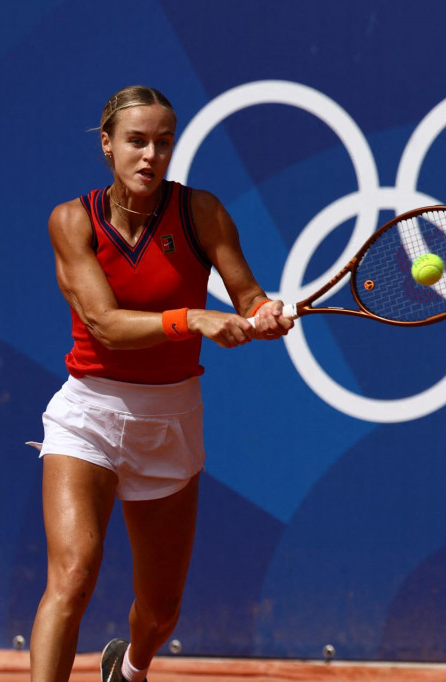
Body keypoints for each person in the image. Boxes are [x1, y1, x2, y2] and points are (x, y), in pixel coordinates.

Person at [29, 85, 294, 682]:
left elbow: (246, 295)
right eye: (136, 141)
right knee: (72, 577)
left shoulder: (200, 212)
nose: (151, 154)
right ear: (108, 145)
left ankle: (129, 669)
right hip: (88, 416)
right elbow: (105, 324)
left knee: (160, 610)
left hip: (171, 422)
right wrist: (194, 318)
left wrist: (262, 313)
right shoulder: (72, 221)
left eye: (163, 142)